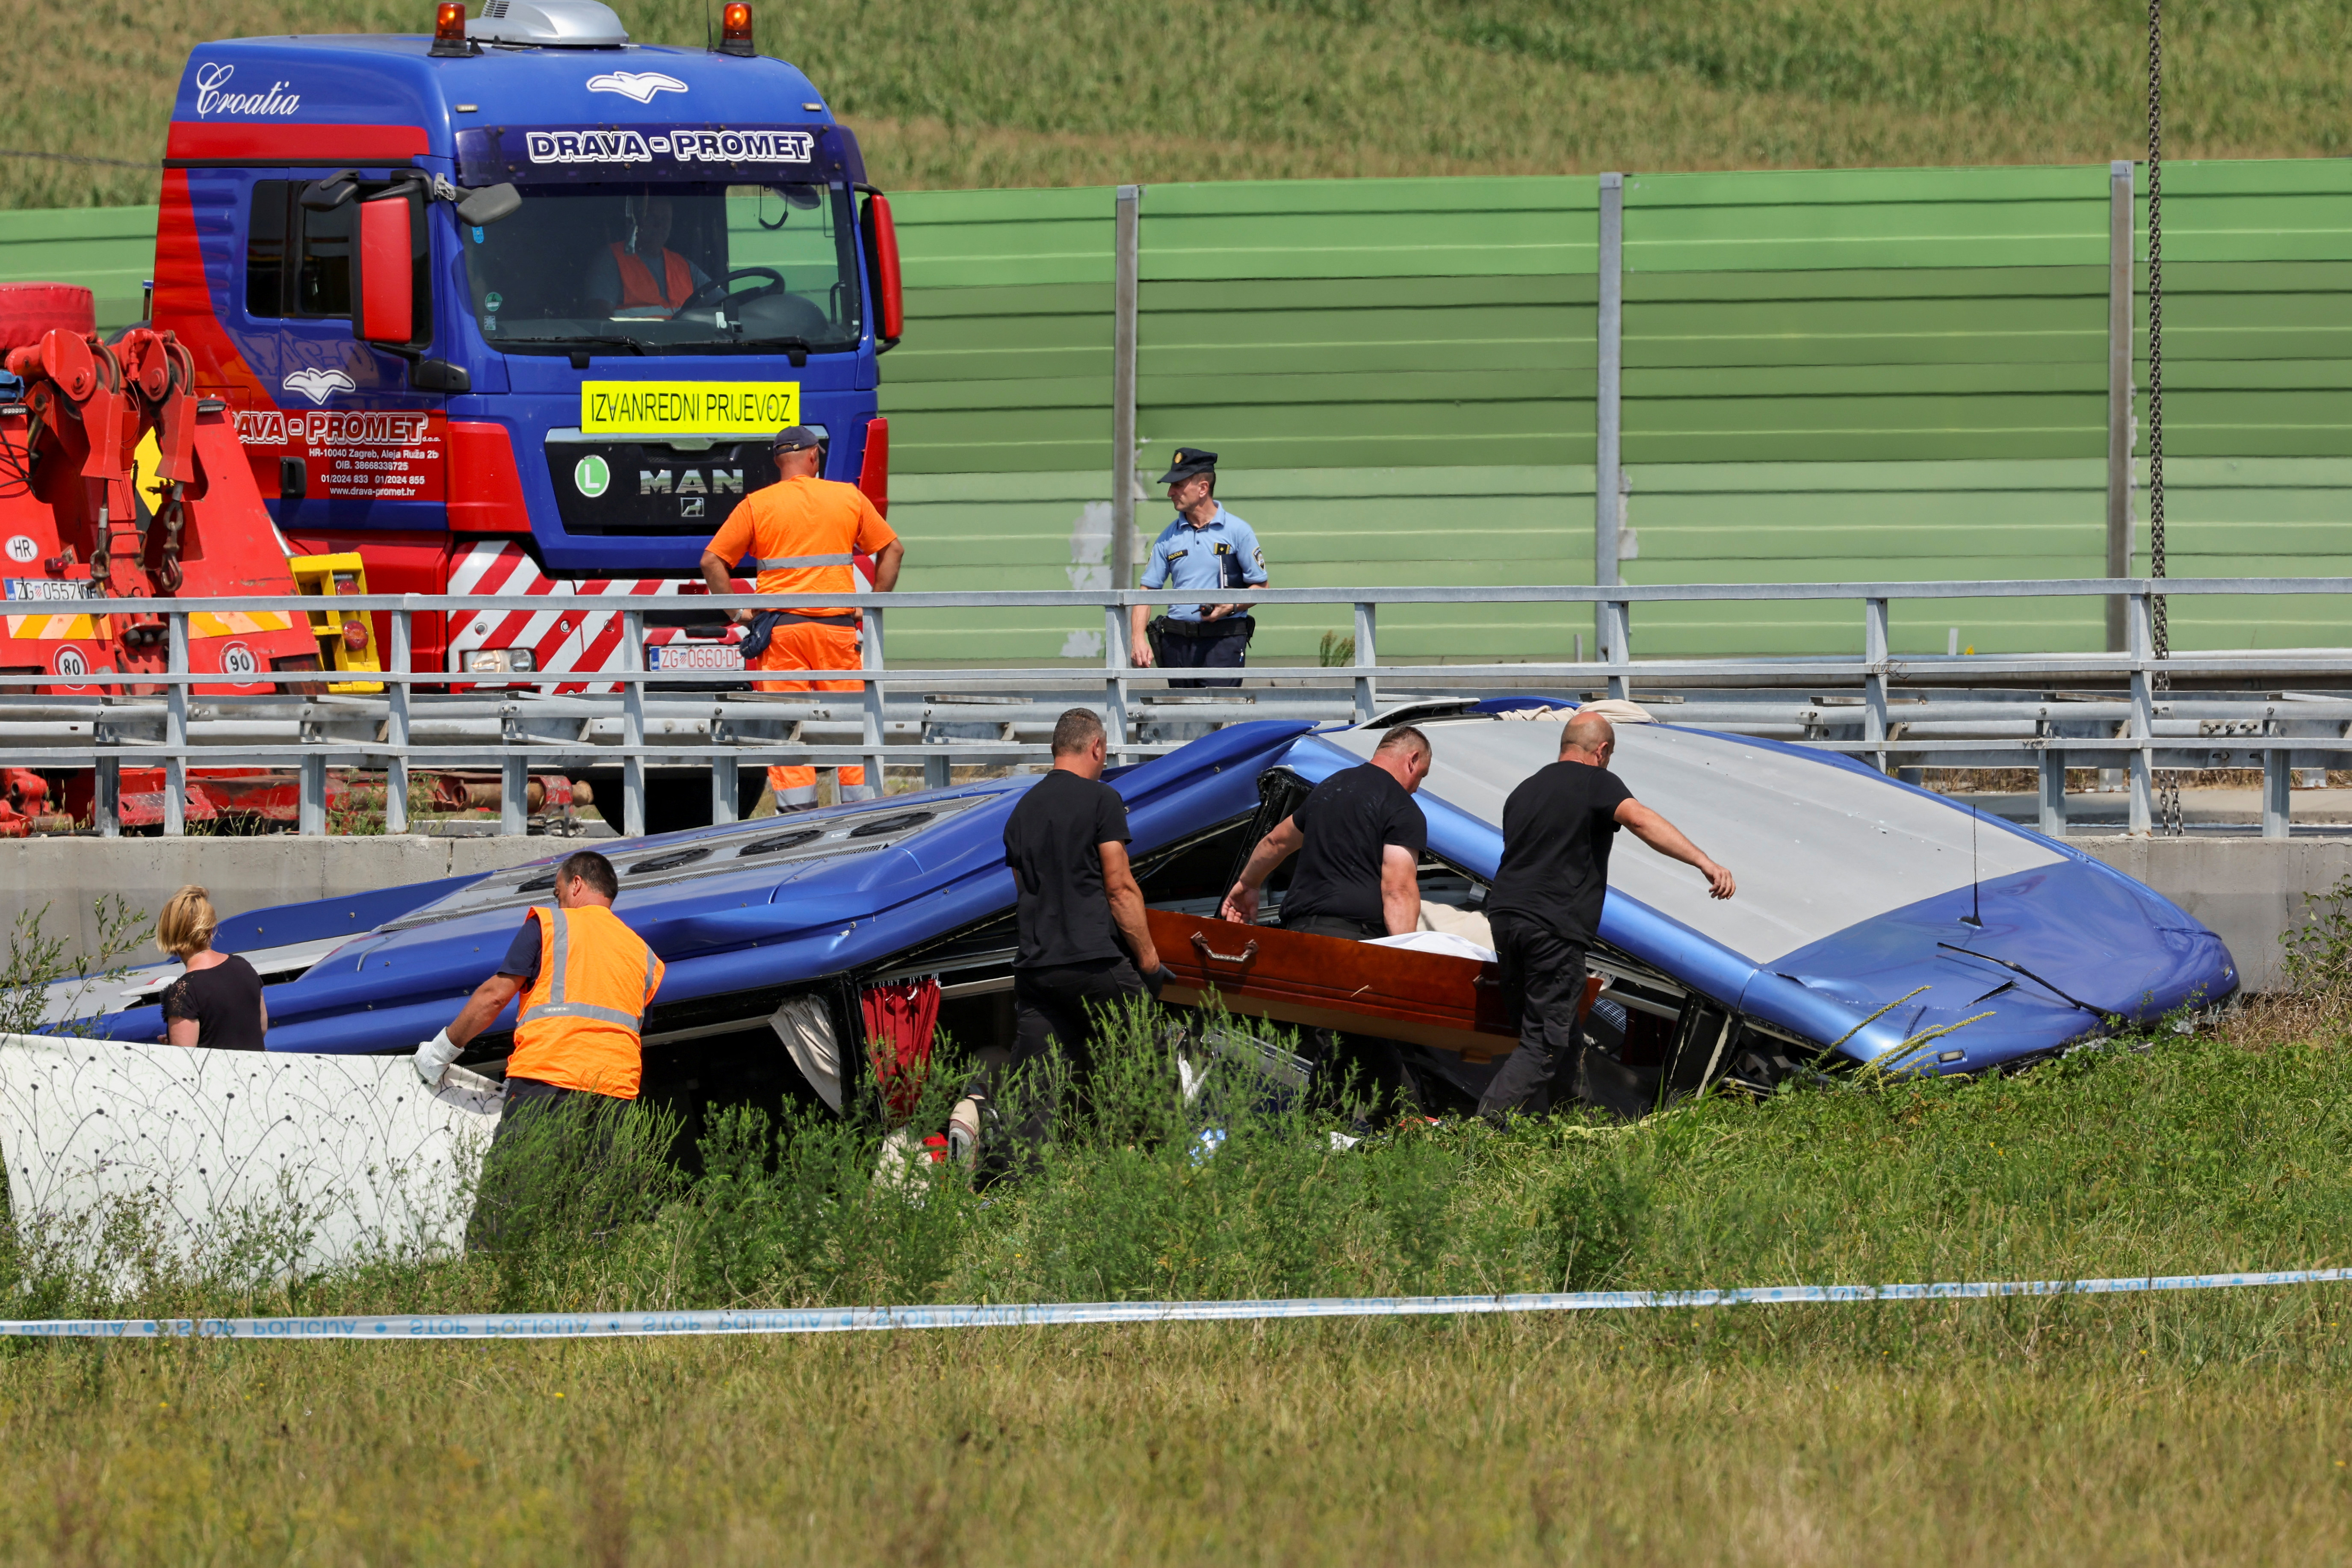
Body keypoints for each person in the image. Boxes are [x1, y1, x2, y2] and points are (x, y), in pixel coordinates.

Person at [1477, 712, 1735, 1123]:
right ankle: (1482, 1131)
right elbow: (1640, 818)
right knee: (1544, 1041)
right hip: (1553, 925)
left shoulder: (1523, 792)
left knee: (1561, 1031)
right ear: (1602, 751)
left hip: (1507, 919)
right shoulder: (1596, 781)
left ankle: (1573, 1126)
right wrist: (1704, 862)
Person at [964, 707, 1171, 1175]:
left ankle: (1017, 1183)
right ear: (1096, 747)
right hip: (1094, 960)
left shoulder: (1020, 812)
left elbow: (1025, 891)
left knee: (1036, 1084)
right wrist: (1149, 959)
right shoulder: (1102, 800)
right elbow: (1119, 887)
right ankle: (1165, 1165)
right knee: (1149, 1052)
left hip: (1038, 967)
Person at [1220, 725, 1433, 1116]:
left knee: (1341, 1047)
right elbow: (1398, 888)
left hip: (1299, 938)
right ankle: (1337, 1132)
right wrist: (1407, 961)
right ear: (1413, 760)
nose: (1417, 787)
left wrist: (1247, 886)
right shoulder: (1401, 807)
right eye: (1420, 777)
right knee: (1347, 1047)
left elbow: (1274, 842)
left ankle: (1376, 1129)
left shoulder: (1328, 790)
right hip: (1349, 945)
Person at [700, 425, 906, 810]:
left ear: (779, 462)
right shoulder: (847, 496)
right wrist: (873, 606)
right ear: (813, 457)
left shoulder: (757, 505)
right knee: (849, 731)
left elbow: (712, 561)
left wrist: (741, 614)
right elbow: (893, 550)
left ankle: (795, 824)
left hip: (781, 635)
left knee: (788, 730)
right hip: (836, 632)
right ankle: (861, 820)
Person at [412, 850, 664, 1107]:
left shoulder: (550, 924)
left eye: (558, 893)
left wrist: (441, 1052)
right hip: (616, 1094)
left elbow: (495, 997)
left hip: (548, 1081)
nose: (558, 902)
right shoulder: (645, 956)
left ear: (576, 884)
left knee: (523, 1150)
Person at [1129, 448, 1268, 689]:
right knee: (1182, 720)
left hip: (1222, 643)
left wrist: (1230, 606)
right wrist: (1137, 638)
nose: (1170, 493)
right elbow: (1146, 592)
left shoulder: (1238, 531)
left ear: (1203, 488)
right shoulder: (1167, 538)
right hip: (1176, 646)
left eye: (1178, 485)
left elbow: (1262, 587)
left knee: (1217, 718)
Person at [155, 885, 266, 1051]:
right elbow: (261, 1029)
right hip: (256, 1073)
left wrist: (171, 1046)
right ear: (210, 929)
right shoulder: (243, 966)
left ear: (169, 933)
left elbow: (184, 1062)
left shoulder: (184, 992)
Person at [583, 195, 709, 317]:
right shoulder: (613, 258)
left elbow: (723, 302)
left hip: (687, 339)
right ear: (637, 221)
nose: (659, 225)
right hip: (633, 338)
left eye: (665, 219)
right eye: (651, 218)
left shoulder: (685, 267)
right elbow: (599, 315)